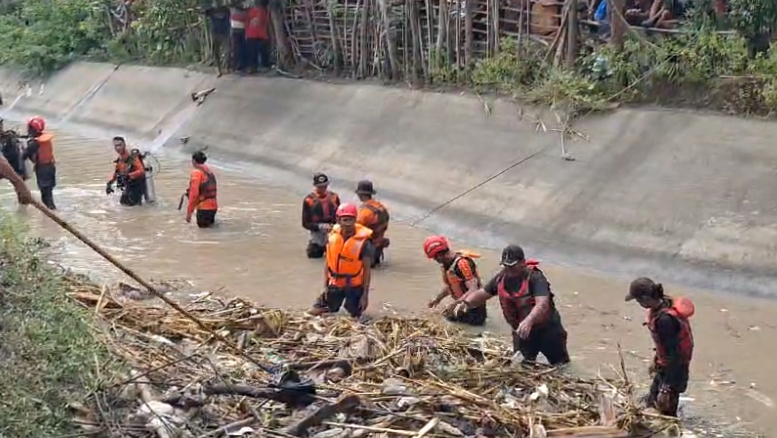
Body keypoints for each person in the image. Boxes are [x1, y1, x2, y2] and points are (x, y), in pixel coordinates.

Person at [454, 245, 570, 365]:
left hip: (548, 330)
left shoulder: (536, 278)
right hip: (522, 333)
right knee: (522, 366)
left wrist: (529, 321)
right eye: (506, 266)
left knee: (561, 364)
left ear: (522, 263)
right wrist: (466, 303)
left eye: (512, 266)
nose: (509, 271)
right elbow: (483, 293)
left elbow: (542, 304)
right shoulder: (500, 278)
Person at [625, 277, 694, 417]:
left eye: (638, 301)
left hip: (675, 369)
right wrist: (656, 360)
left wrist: (667, 388)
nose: (639, 304)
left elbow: (674, 353)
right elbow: (666, 346)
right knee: (651, 401)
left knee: (665, 409)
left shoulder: (665, 320)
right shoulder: (665, 304)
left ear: (645, 299)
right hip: (667, 366)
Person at [308, 203, 374, 319]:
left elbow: (367, 271)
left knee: (355, 318)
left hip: (354, 287)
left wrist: (365, 295)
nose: (348, 224)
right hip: (335, 284)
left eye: (351, 220)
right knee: (312, 312)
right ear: (338, 220)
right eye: (345, 220)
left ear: (355, 219)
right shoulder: (332, 237)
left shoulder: (365, 243)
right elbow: (328, 263)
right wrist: (325, 286)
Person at [424, 235, 487, 326]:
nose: (435, 260)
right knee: (447, 318)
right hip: (461, 305)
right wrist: (437, 299)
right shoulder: (447, 265)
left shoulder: (462, 264)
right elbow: (451, 286)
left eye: (434, 257)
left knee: (472, 331)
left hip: (474, 307)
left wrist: (454, 305)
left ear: (439, 254)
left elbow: (473, 289)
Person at [301, 172, 341, 258]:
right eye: (320, 186)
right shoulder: (308, 200)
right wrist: (320, 226)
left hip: (333, 235)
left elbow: (340, 218)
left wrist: (333, 227)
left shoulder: (334, 197)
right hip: (317, 236)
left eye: (324, 186)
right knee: (313, 255)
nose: (322, 188)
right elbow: (305, 223)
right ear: (315, 186)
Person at [22, 116, 56, 209]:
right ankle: (51, 210)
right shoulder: (42, 138)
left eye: (29, 127)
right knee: (48, 192)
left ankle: (51, 213)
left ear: (33, 128)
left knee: (45, 194)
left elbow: (24, 155)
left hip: (42, 169)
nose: (27, 129)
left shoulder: (34, 143)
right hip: (50, 167)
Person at [355, 180, 390, 267]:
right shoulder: (381, 207)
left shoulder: (364, 212)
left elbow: (355, 231)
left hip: (367, 250)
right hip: (378, 249)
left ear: (360, 194)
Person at [106, 136, 146, 206]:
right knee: (123, 204)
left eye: (120, 145)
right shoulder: (120, 159)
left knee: (133, 207)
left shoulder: (132, 156)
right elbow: (117, 173)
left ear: (124, 145)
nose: (118, 148)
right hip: (129, 186)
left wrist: (128, 176)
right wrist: (110, 183)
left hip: (137, 186)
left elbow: (141, 171)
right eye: (116, 146)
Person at [185, 151, 218, 228]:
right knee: (210, 232)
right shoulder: (209, 171)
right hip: (213, 207)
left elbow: (194, 194)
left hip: (204, 208)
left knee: (203, 233)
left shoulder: (197, 173)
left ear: (193, 161)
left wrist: (189, 212)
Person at [245, 0, 271, 73]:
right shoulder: (250, 10)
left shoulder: (264, 11)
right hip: (252, 34)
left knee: (262, 51)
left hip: (261, 34)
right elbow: (247, 22)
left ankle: (263, 66)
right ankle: (253, 67)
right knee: (252, 52)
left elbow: (263, 21)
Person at [229, 2, 248, 73]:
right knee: (236, 48)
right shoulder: (232, 9)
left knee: (242, 48)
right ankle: (237, 66)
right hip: (235, 30)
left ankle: (242, 65)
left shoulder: (244, 9)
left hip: (243, 30)